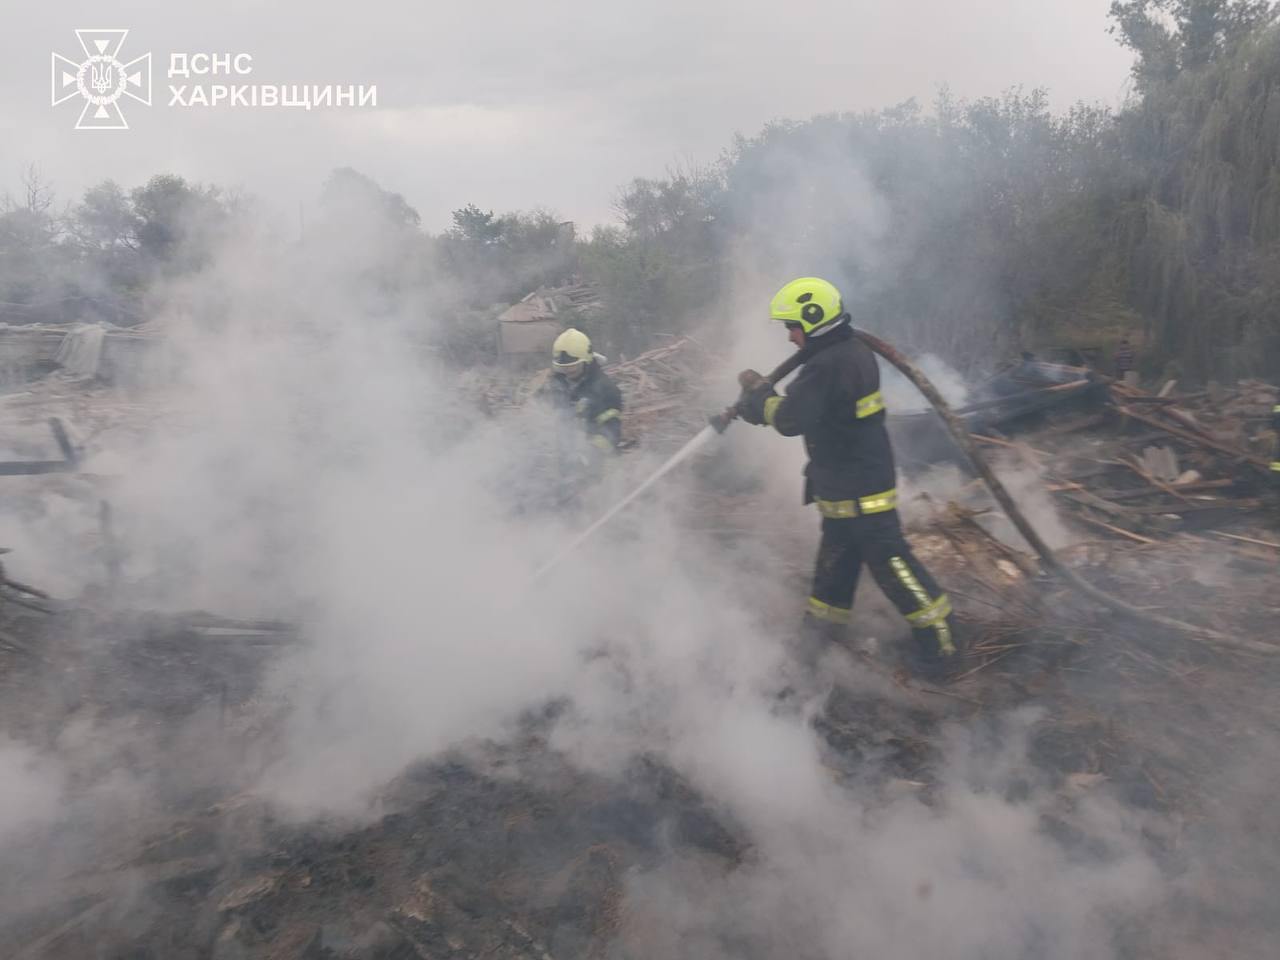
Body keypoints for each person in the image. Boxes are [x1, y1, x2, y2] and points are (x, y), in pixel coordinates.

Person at [736, 277, 957, 675]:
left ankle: (944, 646)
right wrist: (762, 400)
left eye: (792, 327)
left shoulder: (830, 364)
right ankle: (818, 641)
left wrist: (760, 401)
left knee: (894, 567)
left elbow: (790, 419)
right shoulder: (843, 352)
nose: (789, 336)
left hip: (862, 492)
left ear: (813, 320)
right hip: (843, 488)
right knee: (834, 571)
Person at [542, 328, 623, 497]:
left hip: (600, 467)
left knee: (596, 501)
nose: (568, 372)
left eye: (573, 367)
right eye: (564, 368)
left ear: (587, 361)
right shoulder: (561, 380)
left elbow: (611, 434)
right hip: (569, 464)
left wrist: (588, 456)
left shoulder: (606, 390)